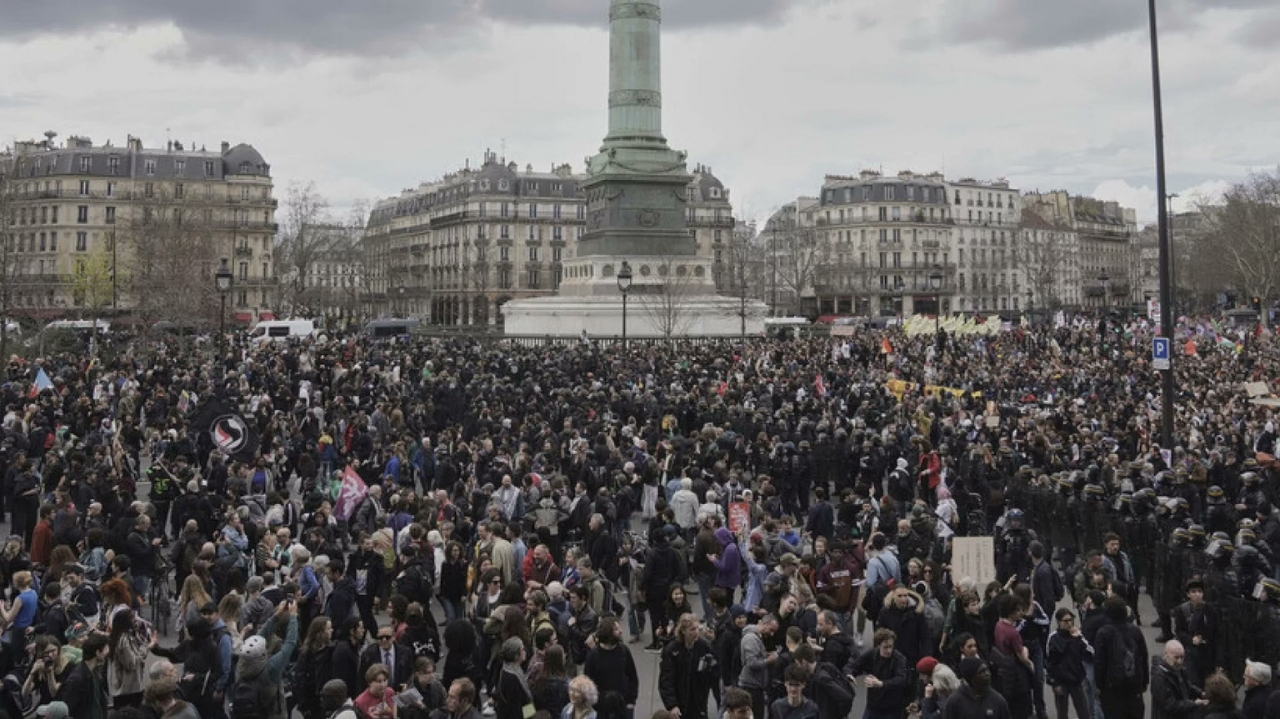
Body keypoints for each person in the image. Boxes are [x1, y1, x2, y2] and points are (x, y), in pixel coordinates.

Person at [232, 599, 300, 719]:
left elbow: (258, 637)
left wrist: (275, 616)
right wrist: (293, 617)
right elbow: (290, 643)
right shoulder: (270, 668)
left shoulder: (241, 666)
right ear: (262, 653)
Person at [1092, 595, 1148, 719]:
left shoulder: (1103, 633)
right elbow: (1143, 657)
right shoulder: (1135, 631)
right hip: (1134, 687)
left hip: (1112, 689)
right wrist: (1144, 682)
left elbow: (1100, 662)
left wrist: (1099, 685)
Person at [658, 614, 718, 719]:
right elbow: (666, 680)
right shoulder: (672, 651)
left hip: (699, 702)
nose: (696, 633)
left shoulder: (704, 647)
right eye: (692, 629)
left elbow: (714, 672)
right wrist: (672, 705)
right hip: (680, 703)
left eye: (697, 629)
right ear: (683, 631)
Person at [845, 628, 911, 719]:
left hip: (892, 707)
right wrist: (850, 674)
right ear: (878, 645)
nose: (889, 650)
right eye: (885, 647)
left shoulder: (899, 659)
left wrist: (881, 683)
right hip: (873, 705)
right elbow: (855, 665)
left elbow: (901, 679)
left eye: (891, 646)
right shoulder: (872, 654)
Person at [583, 617, 640, 719]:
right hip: (602, 708)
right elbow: (588, 683)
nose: (621, 631)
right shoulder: (594, 655)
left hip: (624, 705)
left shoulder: (623, 651)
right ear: (608, 634)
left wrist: (631, 701)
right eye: (616, 629)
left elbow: (632, 676)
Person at [1045, 608, 1091, 719]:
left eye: (1071, 620)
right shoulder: (1053, 638)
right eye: (1066, 621)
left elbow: (1090, 653)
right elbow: (1050, 662)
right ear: (1059, 622)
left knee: (1084, 712)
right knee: (1062, 713)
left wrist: (1080, 637)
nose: (1069, 623)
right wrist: (1055, 682)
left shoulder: (1078, 636)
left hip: (1076, 679)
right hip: (1061, 681)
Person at [57, 633, 109, 719]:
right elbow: (68, 709)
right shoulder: (77, 679)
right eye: (105, 651)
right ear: (97, 653)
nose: (107, 654)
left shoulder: (94, 672)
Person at [940, 657, 1012, 719]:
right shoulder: (954, 702)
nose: (987, 674)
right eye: (981, 672)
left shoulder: (998, 700)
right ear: (971, 678)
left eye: (987, 670)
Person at [1150, 640, 1205, 719]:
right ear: (1166, 655)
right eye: (1176, 657)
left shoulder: (1179, 669)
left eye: (1182, 657)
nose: (1179, 661)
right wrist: (1194, 703)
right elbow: (1170, 705)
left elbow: (1188, 687)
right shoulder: (1159, 678)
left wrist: (1201, 693)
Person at [493, 638, 534, 719]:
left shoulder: (509, 668)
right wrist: (531, 715)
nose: (525, 651)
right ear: (516, 656)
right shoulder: (512, 679)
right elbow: (516, 709)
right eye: (522, 649)